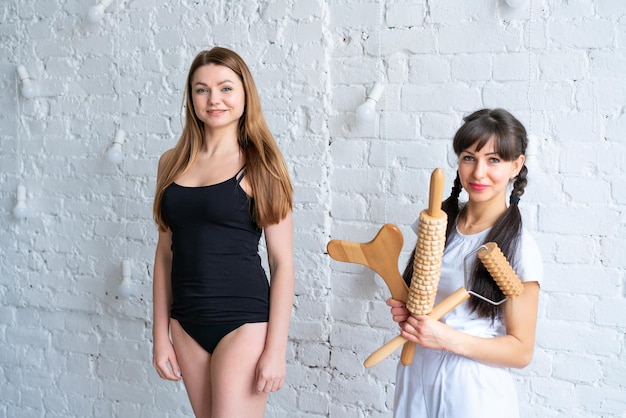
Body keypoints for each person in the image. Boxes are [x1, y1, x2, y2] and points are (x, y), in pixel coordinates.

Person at [151, 47, 294, 418]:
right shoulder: (171, 162)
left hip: (243, 322)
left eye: (225, 88)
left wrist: (275, 351)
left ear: (245, 94)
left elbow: (282, 263)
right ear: (191, 97)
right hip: (186, 323)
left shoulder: (263, 165)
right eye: (202, 89)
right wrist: (160, 336)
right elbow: (165, 253)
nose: (214, 99)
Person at [388, 108, 542, 418]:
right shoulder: (437, 225)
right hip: (417, 375)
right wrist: (410, 312)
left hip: (472, 390)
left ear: (516, 165)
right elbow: (428, 299)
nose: (478, 173)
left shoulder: (519, 248)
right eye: (469, 158)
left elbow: (521, 350)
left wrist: (446, 337)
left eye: (494, 160)